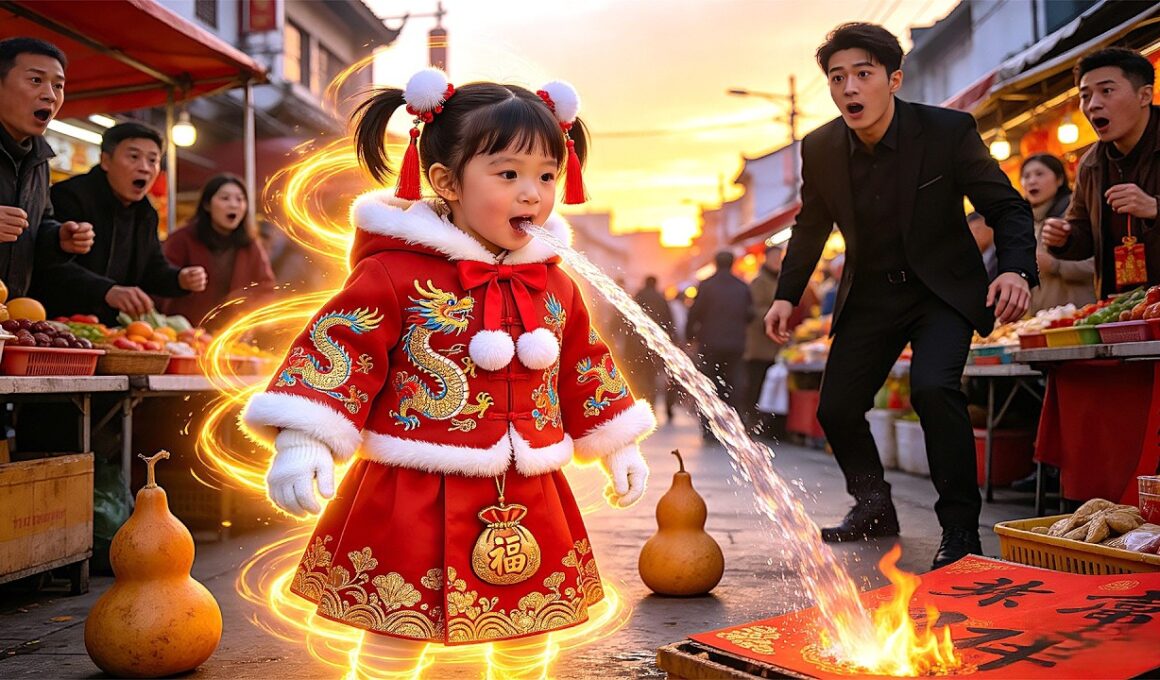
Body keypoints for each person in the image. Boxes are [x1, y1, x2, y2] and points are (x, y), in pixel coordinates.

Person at [240, 69, 655, 676]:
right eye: (508, 173)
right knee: (394, 628)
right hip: (412, 481)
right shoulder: (395, 273)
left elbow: (583, 363)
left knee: (528, 627)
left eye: (547, 175)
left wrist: (619, 441)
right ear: (444, 181)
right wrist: (305, 437)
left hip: (528, 482)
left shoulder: (558, 282)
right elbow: (343, 349)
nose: (532, 194)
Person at [764, 23, 1036, 570]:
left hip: (941, 293)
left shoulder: (947, 131)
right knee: (837, 406)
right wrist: (785, 296)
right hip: (870, 294)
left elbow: (1007, 206)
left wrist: (1017, 271)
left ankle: (960, 530)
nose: (849, 89)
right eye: (837, 78)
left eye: (862, 74)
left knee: (934, 390)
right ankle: (873, 504)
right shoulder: (819, 148)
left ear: (893, 79)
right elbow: (810, 226)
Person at [32, 123, 206, 325]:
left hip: (110, 330)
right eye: (134, 157)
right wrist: (105, 290)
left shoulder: (146, 213)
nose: (144, 167)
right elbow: (49, 263)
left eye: (153, 160)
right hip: (57, 323)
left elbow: (152, 268)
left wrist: (179, 279)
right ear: (106, 160)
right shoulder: (70, 196)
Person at [1042, 47, 1159, 297]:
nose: (1093, 105)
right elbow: (1082, 234)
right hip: (1123, 306)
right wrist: (1065, 238)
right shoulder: (1090, 165)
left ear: (1144, 95)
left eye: (1107, 91)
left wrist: (1154, 208)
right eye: (1085, 95)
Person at [0, 37, 93, 299]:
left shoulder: (39, 160)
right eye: (35, 80)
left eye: (58, 85)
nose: (50, 95)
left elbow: (38, 227)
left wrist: (58, 239)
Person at [158, 173, 276, 329]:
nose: (233, 205)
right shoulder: (182, 239)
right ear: (207, 204)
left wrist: (249, 316)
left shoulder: (250, 245)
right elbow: (158, 278)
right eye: (225, 198)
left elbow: (266, 288)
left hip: (230, 335)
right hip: (185, 333)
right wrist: (181, 280)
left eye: (240, 199)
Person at [687, 250, 752, 440]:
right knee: (733, 385)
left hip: (710, 344)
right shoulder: (742, 286)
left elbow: (695, 312)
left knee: (709, 384)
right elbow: (751, 314)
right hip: (736, 344)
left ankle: (709, 428)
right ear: (732, 264)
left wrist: (690, 336)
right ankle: (732, 428)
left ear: (715, 263)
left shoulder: (706, 285)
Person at [1021, 153, 1095, 312]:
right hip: (1042, 320)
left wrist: (1055, 265)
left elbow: (1098, 263)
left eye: (1039, 174)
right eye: (1026, 176)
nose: (1032, 180)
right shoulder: (1026, 223)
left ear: (1060, 179)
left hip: (1080, 316)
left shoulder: (1076, 214)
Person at [743, 245, 785, 435]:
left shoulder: (782, 280)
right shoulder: (759, 282)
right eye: (774, 256)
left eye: (780, 256)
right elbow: (754, 310)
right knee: (757, 383)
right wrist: (775, 316)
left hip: (776, 342)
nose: (777, 260)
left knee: (771, 385)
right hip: (760, 343)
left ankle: (770, 425)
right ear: (766, 258)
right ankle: (755, 422)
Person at [625, 274, 675, 419]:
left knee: (637, 375)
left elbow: (628, 321)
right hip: (655, 345)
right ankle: (651, 404)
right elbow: (668, 321)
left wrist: (628, 344)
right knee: (652, 375)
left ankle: (639, 401)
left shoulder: (639, 296)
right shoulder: (661, 299)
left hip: (637, 344)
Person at [967, 212, 998, 281]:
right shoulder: (971, 258)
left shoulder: (1003, 256)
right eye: (970, 232)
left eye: (977, 230)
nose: (974, 235)